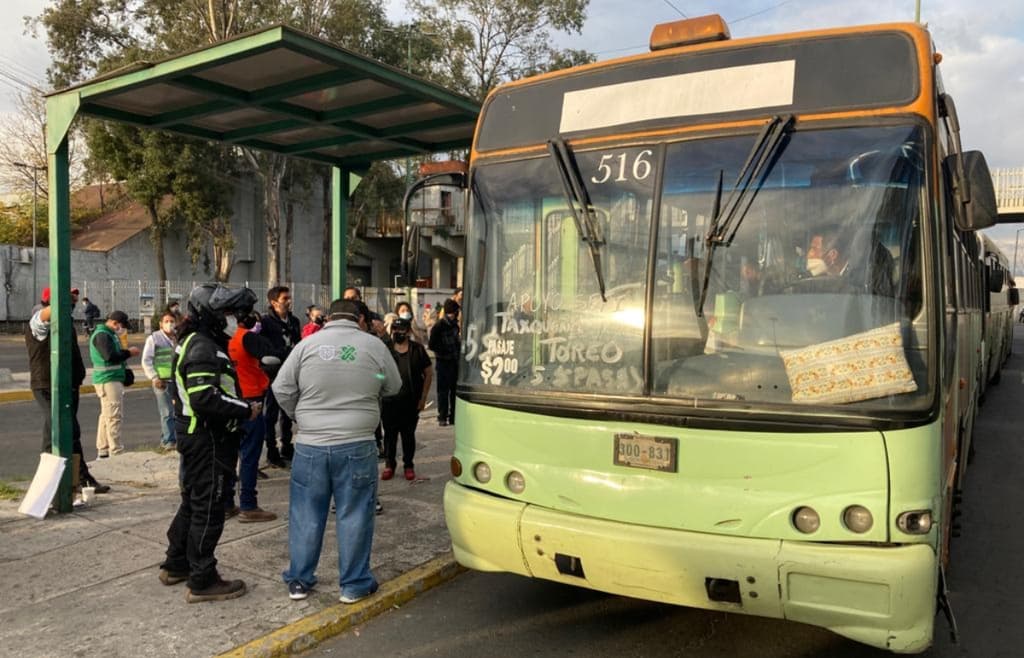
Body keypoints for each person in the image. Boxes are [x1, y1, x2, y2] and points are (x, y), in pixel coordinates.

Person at [273, 299, 401, 602]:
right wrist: (374, 383)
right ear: (361, 319)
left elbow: (282, 388)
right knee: (355, 513)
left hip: (310, 447)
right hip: (357, 443)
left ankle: (300, 581)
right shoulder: (373, 346)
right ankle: (354, 584)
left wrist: (300, 417)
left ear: (328, 318)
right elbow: (392, 384)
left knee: (306, 514)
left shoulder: (307, 346)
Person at [159, 284, 262, 603]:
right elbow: (204, 397)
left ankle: (177, 564)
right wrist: (247, 409)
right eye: (229, 314)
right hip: (208, 439)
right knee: (210, 507)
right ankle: (202, 579)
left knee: (193, 501)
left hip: (196, 437)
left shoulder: (195, 340)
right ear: (213, 314)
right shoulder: (202, 346)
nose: (234, 319)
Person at [26, 286, 109, 494]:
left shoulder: (66, 322)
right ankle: (47, 484)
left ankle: (82, 479)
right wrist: (60, 303)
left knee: (72, 431)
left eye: (74, 298)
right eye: (69, 298)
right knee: (54, 429)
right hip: (47, 384)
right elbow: (43, 316)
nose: (74, 301)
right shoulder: (39, 319)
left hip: (69, 385)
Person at [226, 310, 283, 523]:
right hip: (251, 401)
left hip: (229, 401)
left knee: (230, 454)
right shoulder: (246, 337)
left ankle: (227, 503)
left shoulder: (220, 338)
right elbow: (273, 355)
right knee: (249, 456)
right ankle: (248, 505)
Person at [381, 318, 433, 481]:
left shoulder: (417, 349)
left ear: (408, 331)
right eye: (395, 330)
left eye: (402, 330)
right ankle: (389, 465)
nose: (398, 333)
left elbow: (429, 373)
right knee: (389, 436)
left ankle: (408, 465)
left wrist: (423, 398)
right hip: (389, 401)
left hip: (410, 401)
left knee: (408, 435)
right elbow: (377, 372)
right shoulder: (386, 349)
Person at [89, 310, 140, 459]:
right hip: (108, 380)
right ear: (115, 323)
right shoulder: (102, 335)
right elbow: (110, 356)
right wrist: (129, 353)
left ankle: (103, 449)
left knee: (106, 416)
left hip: (111, 378)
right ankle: (116, 450)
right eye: (121, 326)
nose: (122, 329)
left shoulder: (108, 334)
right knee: (114, 416)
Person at [261, 286, 301, 467]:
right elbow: (264, 348)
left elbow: (299, 344)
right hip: (272, 373)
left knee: (288, 411)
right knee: (271, 413)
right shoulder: (265, 322)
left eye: (289, 298)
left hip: (290, 372)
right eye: (285, 299)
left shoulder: (293, 321)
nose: (289, 301)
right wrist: (283, 353)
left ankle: (287, 445)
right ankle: (271, 449)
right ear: (274, 302)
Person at [142, 310, 178, 452]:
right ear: (161, 324)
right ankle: (168, 441)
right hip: (161, 381)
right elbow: (146, 360)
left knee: (177, 412)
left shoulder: (178, 338)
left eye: (172, 321)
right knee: (167, 412)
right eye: (167, 321)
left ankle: (170, 437)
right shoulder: (154, 339)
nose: (170, 324)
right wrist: (154, 377)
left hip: (176, 380)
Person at [428, 299, 461, 426]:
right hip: (443, 362)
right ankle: (442, 416)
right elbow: (432, 345)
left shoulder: (454, 325)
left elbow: (456, 341)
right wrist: (445, 351)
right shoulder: (439, 326)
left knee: (453, 391)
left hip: (454, 362)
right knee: (443, 391)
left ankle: (453, 416)